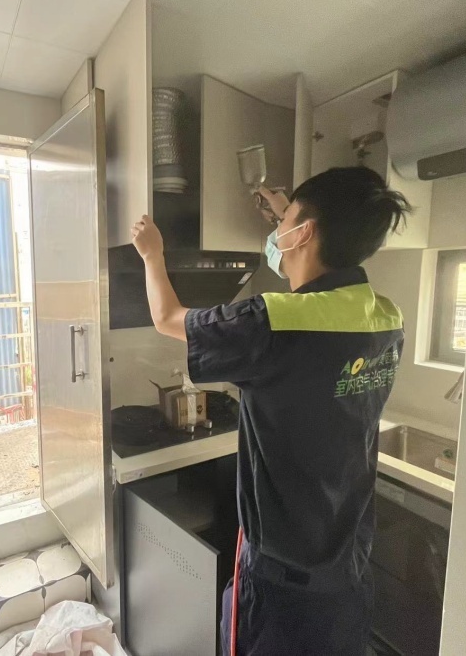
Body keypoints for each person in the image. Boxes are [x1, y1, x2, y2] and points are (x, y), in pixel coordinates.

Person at [130, 166, 411, 656]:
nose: (277, 232)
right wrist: (290, 211)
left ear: (304, 233)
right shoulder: (385, 315)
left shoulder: (271, 321)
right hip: (348, 565)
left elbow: (167, 317)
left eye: (285, 223)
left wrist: (152, 254)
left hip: (281, 579)